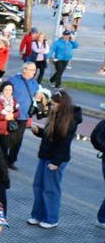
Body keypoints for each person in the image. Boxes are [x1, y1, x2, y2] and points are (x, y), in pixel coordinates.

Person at [27, 89, 81, 229]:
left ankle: (51, 218)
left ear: (62, 105)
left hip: (56, 159)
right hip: (45, 155)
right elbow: (51, 135)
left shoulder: (68, 120)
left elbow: (64, 143)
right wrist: (40, 132)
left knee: (50, 188)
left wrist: (56, 162)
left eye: (55, 104)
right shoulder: (55, 115)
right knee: (38, 185)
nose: (52, 106)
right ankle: (37, 215)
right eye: (52, 104)